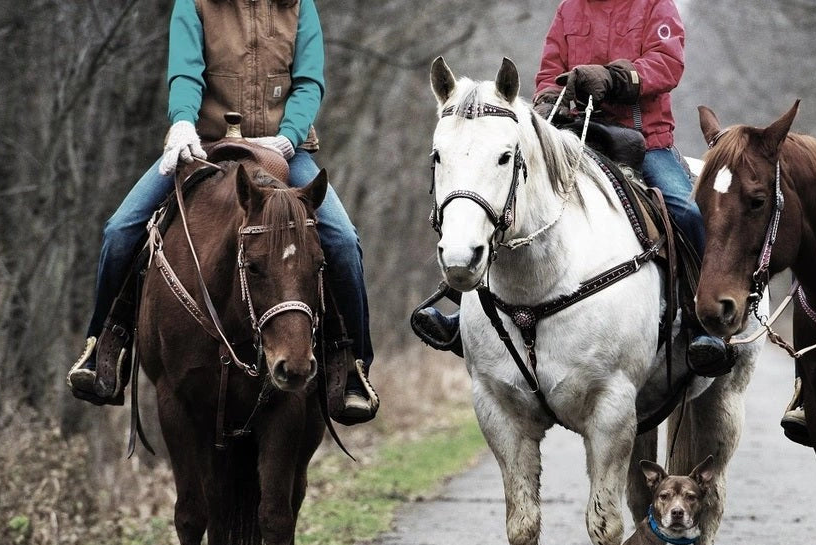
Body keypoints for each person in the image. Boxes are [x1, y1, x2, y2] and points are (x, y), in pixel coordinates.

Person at [67, 0, 378, 424]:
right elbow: (185, 73)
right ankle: (105, 348)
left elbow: (308, 83)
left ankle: (351, 365)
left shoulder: (299, 5)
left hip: (282, 149)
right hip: (206, 144)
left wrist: (287, 139)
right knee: (120, 229)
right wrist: (181, 123)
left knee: (342, 239)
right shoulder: (194, 3)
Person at [410, 0, 732, 377]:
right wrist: (549, 97)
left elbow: (668, 63)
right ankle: (463, 313)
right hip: (576, 134)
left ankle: (701, 327)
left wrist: (614, 78)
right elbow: (549, 70)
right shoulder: (570, 9)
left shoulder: (655, 6)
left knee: (685, 211)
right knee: (509, 196)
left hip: (645, 141)